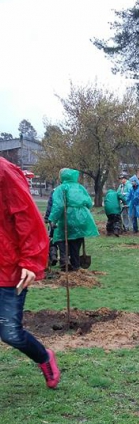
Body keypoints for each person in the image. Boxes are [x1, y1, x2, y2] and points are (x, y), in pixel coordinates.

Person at [0, 157, 61, 388]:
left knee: (10, 333)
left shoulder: (3, 172)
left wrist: (31, 261)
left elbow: (27, 217)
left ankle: (44, 357)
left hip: (8, 268)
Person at [49, 168, 99, 272]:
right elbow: (89, 203)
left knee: (61, 238)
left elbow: (58, 206)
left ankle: (64, 261)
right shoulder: (80, 188)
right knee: (76, 242)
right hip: (82, 219)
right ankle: (75, 265)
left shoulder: (61, 188)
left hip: (67, 218)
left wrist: (53, 219)